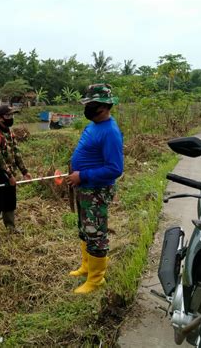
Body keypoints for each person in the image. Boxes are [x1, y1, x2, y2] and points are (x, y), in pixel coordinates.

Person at [66, 84, 124, 294]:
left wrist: (83, 175)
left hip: (96, 191)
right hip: (84, 189)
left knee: (96, 233)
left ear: (105, 106)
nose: (88, 107)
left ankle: (96, 279)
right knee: (84, 229)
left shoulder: (110, 132)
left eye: (92, 104)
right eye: (87, 103)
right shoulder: (92, 125)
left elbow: (115, 168)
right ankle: (87, 266)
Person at [0, 105, 32, 243]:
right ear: (0, 118)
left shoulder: (9, 132)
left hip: (10, 173)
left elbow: (16, 153)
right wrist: (9, 175)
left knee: (10, 201)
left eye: (12, 115)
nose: (11, 118)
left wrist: (24, 171)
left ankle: (10, 226)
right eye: (8, 116)